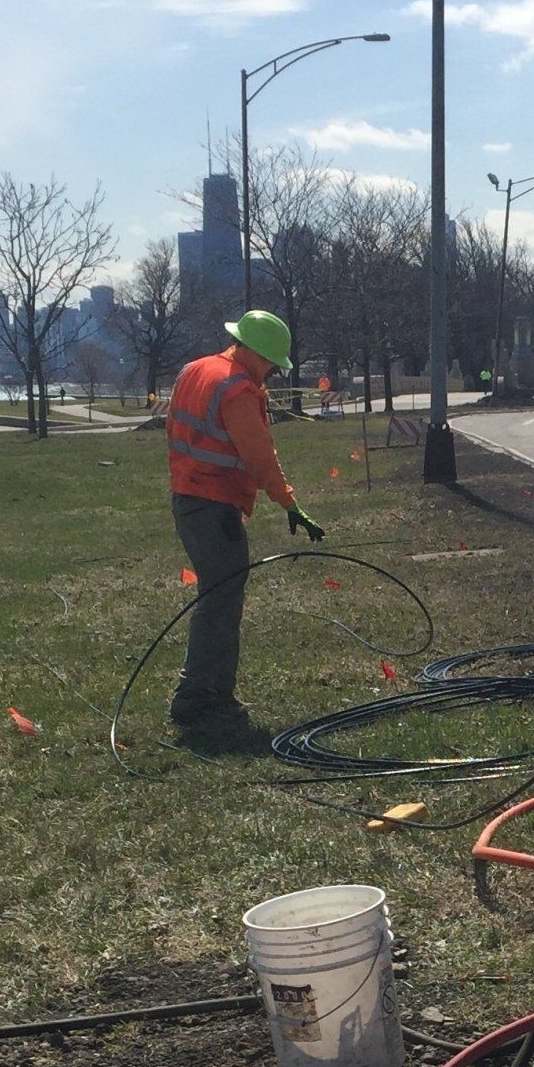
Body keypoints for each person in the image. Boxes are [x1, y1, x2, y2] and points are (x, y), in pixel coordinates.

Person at [165, 309, 325, 742]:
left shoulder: (195, 370)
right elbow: (258, 455)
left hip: (188, 497)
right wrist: (289, 503)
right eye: (272, 362)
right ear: (254, 352)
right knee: (220, 601)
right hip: (213, 505)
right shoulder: (237, 388)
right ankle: (201, 697)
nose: (273, 372)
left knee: (218, 595)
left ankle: (207, 693)